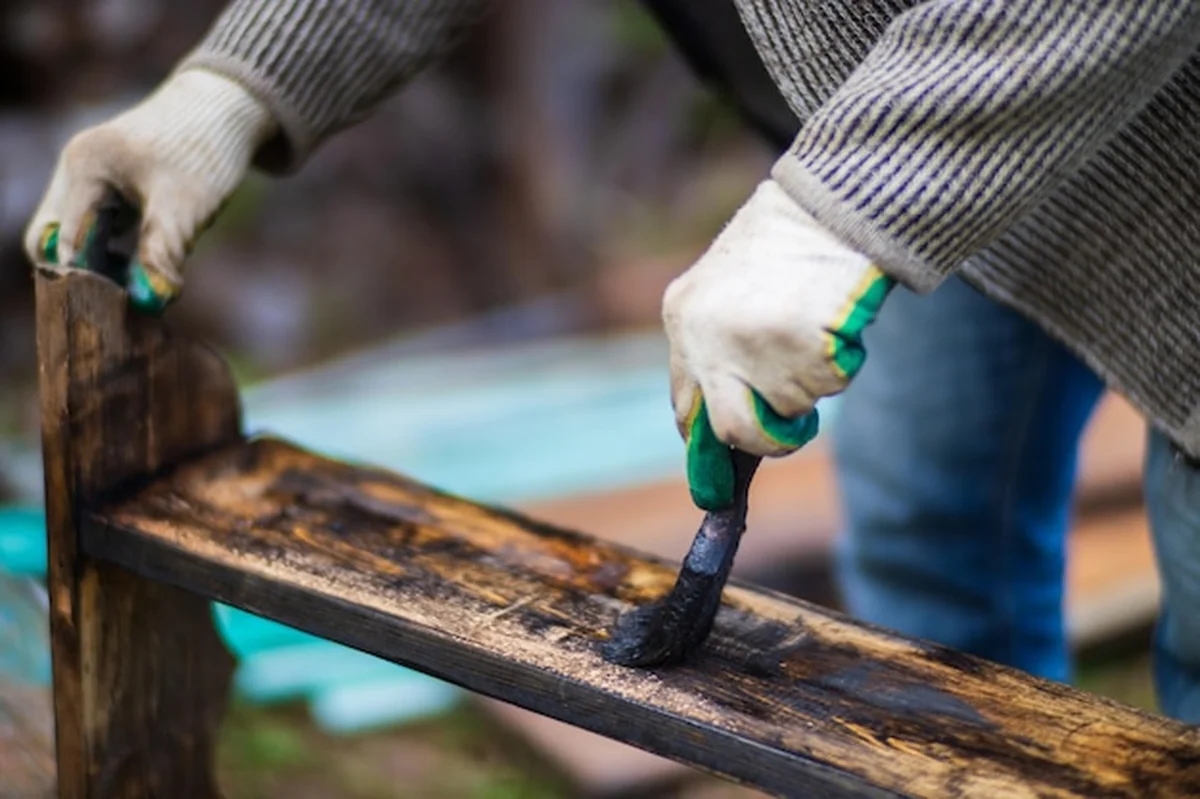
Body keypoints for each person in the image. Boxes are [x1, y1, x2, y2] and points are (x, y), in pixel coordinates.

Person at [23, 1, 1200, 722]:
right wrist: (239, 84)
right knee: (927, 557)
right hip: (928, 180)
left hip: (1098, 146)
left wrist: (842, 209)